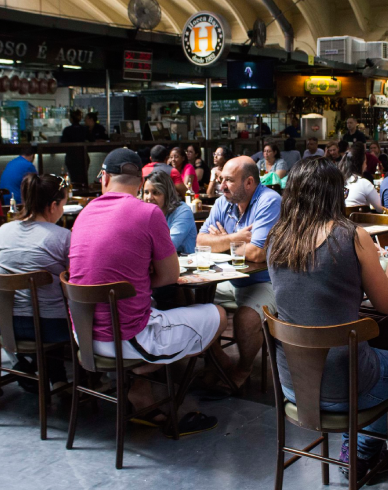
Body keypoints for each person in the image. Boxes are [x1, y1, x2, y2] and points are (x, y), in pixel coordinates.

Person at [268, 156, 388, 482]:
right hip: (345, 385)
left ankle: (358, 444)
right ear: (335, 193)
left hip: (293, 386)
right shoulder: (351, 236)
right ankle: (362, 447)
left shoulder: (277, 239)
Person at [70, 149, 226, 421]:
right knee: (219, 315)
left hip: (83, 337)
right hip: (128, 340)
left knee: (152, 310)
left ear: (104, 177)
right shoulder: (148, 213)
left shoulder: (84, 213)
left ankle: (140, 391)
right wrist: (141, 281)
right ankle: (141, 374)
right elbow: (168, 275)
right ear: (140, 184)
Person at [198, 157, 281, 388]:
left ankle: (243, 369)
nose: (222, 186)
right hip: (229, 279)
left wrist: (221, 241)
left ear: (249, 182)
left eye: (229, 180)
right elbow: (201, 241)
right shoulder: (224, 201)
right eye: (221, 179)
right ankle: (220, 360)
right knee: (190, 301)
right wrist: (234, 238)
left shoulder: (269, 201)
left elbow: (256, 252)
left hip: (266, 281)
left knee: (245, 319)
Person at [0, 173, 72, 388]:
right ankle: (86, 379)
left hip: (5, 324)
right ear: (53, 205)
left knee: (42, 302)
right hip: (51, 328)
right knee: (72, 307)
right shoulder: (62, 236)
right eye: (63, 204)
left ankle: (52, 377)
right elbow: (76, 279)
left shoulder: (2, 232)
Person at [143, 171, 196, 255]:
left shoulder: (183, 211)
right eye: (146, 192)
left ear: (167, 194)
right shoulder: (144, 213)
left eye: (156, 193)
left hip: (184, 264)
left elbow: (168, 247)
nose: (149, 197)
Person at [340, 143, 381, 211]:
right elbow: (381, 209)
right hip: (360, 221)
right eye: (365, 161)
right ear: (361, 163)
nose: (366, 164)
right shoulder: (364, 183)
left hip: (340, 221)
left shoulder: (338, 182)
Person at [61, 109, 88, 185]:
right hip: (83, 156)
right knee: (83, 177)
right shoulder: (84, 129)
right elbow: (91, 140)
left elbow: (62, 143)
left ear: (71, 119)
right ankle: (84, 191)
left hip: (71, 156)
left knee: (73, 177)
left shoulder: (67, 130)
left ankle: (74, 191)